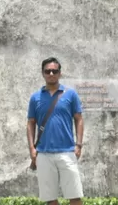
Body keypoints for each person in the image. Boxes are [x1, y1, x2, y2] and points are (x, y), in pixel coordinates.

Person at [27, 57, 84, 205]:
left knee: (75, 196)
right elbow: (31, 123)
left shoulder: (70, 94)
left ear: (60, 73)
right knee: (50, 198)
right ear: (43, 73)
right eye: (48, 71)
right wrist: (32, 149)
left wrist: (78, 145)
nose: (51, 73)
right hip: (44, 154)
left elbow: (79, 119)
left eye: (54, 71)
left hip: (67, 152)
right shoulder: (35, 98)